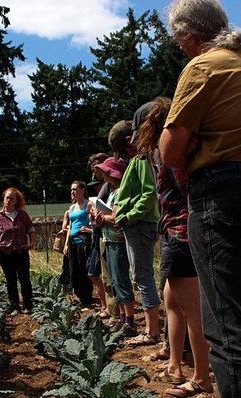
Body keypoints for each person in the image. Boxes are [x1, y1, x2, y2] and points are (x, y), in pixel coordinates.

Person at [159, 1, 241, 396]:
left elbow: (171, 150)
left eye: (178, 39)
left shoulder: (204, 66)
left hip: (223, 192)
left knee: (226, 321)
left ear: (189, 36)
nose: (179, 47)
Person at [136, 98, 211, 396]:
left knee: (192, 308)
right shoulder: (165, 150)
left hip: (181, 232)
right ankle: (174, 364)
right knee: (172, 300)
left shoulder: (167, 150)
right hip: (175, 231)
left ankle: (202, 376)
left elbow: (186, 190)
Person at [110, 119, 161, 346]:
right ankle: (152, 330)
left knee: (143, 276)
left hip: (139, 225)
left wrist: (128, 215)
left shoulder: (140, 160)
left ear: (129, 142)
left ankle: (152, 332)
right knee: (139, 275)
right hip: (134, 226)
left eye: (123, 150)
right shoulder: (134, 161)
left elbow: (148, 195)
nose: (123, 155)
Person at [93, 157, 137, 335]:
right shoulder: (112, 192)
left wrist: (102, 218)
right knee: (114, 281)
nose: (104, 175)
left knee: (121, 279)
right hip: (109, 239)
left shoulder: (120, 192)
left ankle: (130, 321)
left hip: (118, 240)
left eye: (106, 172)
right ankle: (121, 317)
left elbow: (116, 217)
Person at [0, 187, 35, 315]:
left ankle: (28, 305)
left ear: (16, 201)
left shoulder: (22, 215)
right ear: (3, 199)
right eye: (6, 197)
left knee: (24, 278)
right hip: (5, 253)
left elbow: (31, 230)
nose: (8, 200)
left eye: (11, 198)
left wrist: (31, 243)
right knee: (10, 280)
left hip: (21, 252)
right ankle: (14, 305)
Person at [63, 181, 94, 307]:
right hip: (72, 242)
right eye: (71, 190)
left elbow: (94, 220)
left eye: (75, 189)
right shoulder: (72, 207)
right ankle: (80, 296)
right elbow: (70, 227)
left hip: (83, 241)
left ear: (82, 190)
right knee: (73, 268)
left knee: (83, 269)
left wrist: (89, 230)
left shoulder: (89, 204)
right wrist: (65, 244)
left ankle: (87, 298)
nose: (73, 192)